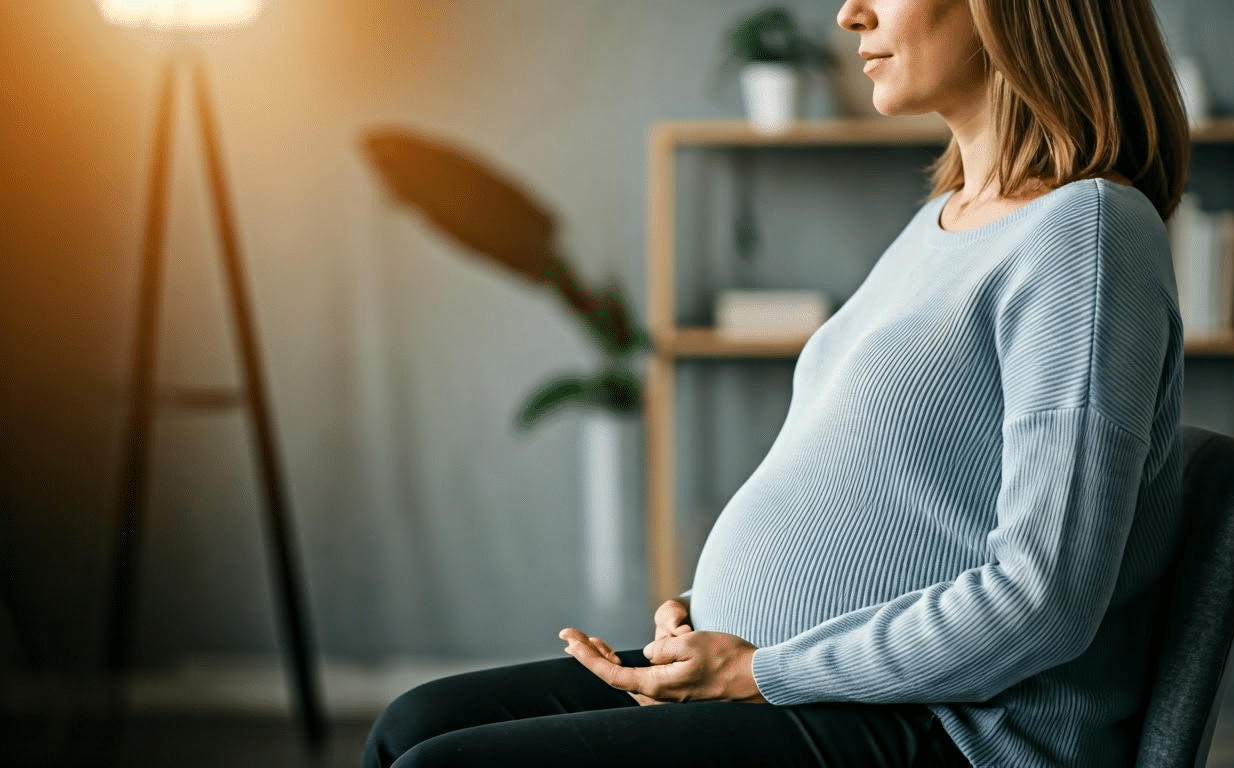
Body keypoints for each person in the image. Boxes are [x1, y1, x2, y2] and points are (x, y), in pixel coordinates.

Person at [361, 0, 1189, 764]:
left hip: (953, 734)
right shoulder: (939, 225)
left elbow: (1044, 598)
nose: (848, 12)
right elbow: (901, 502)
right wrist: (707, 618)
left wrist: (763, 669)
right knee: (414, 724)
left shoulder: (1087, 233)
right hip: (799, 684)